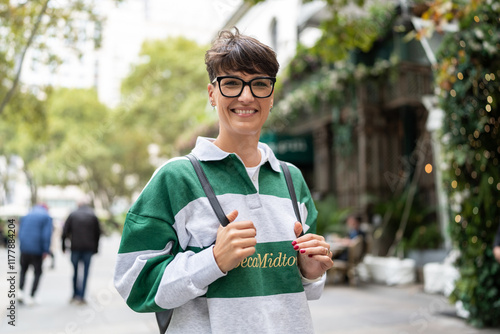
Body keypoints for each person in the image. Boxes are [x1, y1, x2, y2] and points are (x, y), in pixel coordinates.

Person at [114, 28, 333, 333]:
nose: (246, 96)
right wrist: (213, 260)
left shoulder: (291, 178)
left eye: (259, 84)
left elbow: (303, 289)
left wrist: (310, 272)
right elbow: (133, 284)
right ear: (212, 94)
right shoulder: (176, 178)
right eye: (231, 83)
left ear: (271, 96)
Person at [62, 202, 101, 304]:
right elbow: (98, 233)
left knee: (75, 271)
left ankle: (75, 294)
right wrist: (96, 248)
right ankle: (82, 297)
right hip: (88, 249)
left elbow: (65, 231)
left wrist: (63, 246)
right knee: (85, 272)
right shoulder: (92, 215)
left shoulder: (73, 214)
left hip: (75, 248)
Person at [18, 203, 53, 306]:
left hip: (24, 248)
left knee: (23, 270)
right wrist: (46, 250)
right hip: (37, 249)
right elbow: (46, 235)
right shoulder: (46, 217)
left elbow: (20, 232)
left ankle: (20, 291)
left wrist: (22, 246)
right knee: (37, 272)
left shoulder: (27, 215)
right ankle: (32, 296)